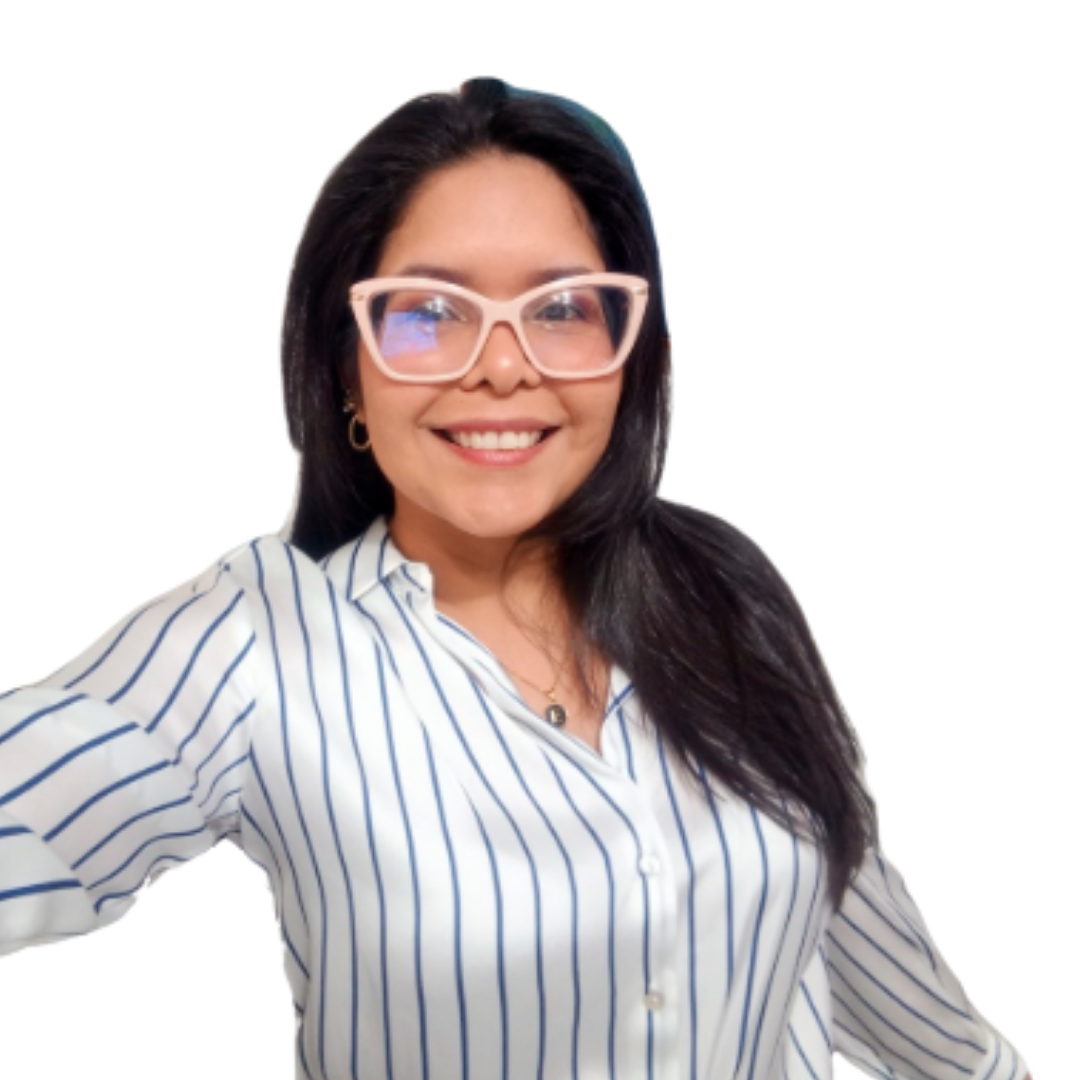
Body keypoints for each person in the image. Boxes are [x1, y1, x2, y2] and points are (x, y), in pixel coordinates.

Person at [0, 76, 1031, 1080]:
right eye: (430, 312)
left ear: (630, 358)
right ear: (343, 367)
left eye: (563, 307)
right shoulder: (250, 644)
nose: (501, 367)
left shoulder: (729, 586)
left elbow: (854, 919)